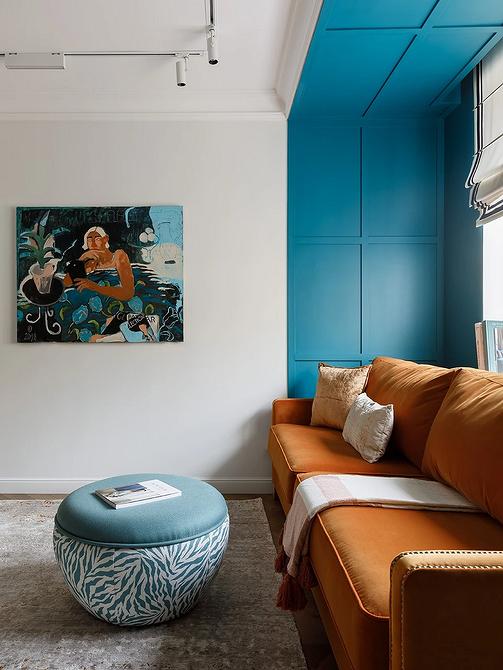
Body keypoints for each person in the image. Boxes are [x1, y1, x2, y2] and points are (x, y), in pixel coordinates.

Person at [63, 226, 134, 301]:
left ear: (105, 239)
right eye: (89, 240)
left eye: (97, 239)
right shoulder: (88, 263)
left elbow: (128, 294)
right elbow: (67, 284)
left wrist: (95, 287)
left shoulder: (118, 256)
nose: (93, 244)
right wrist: (81, 259)